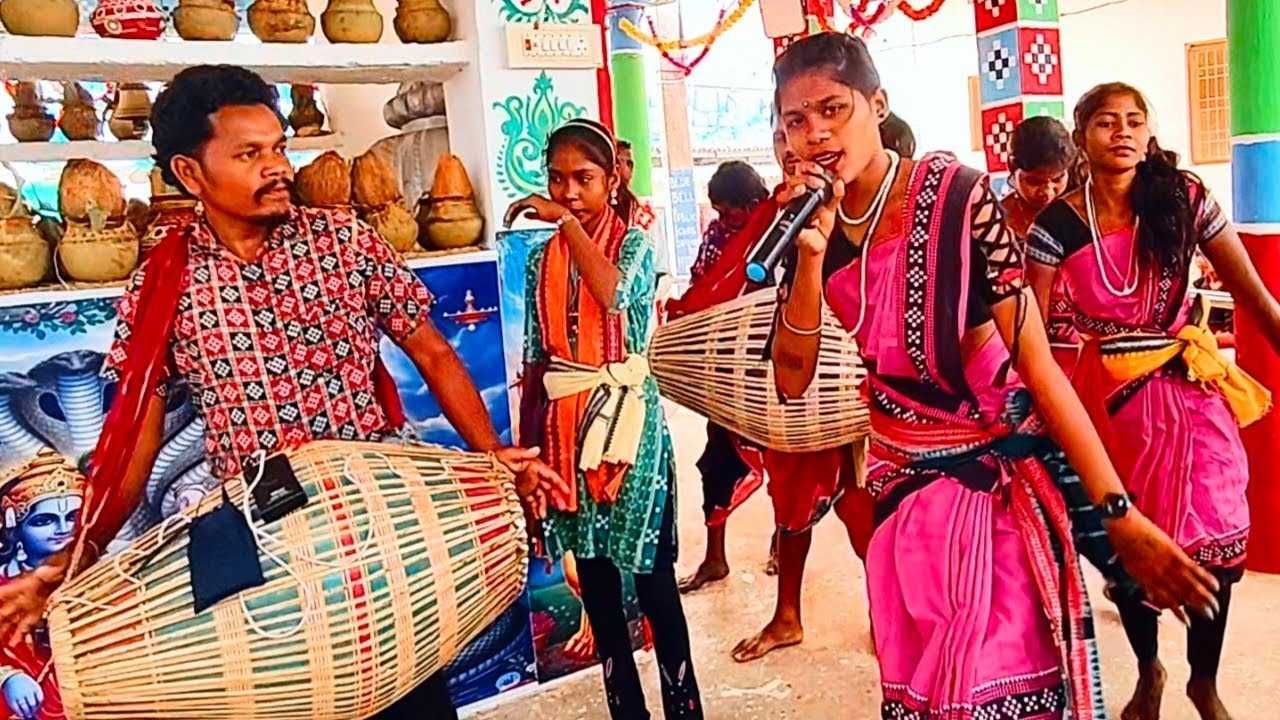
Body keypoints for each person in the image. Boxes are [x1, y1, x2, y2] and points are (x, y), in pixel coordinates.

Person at [0, 65, 565, 720]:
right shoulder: (164, 281)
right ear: (190, 173)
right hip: (259, 548)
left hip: (377, 524)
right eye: (249, 154)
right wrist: (74, 559)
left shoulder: (346, 241)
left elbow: (432, 351)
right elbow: (135, 447)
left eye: (277, 147)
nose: (277, 167)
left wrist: (489, 452)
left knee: (415, 706)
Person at [769, 33, 1219, 719]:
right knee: (931, 691)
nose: (815, 134)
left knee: (1000, 685)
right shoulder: (806, 220)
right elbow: (792, 378)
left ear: (877, 104)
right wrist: (806, 257)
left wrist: (1119, 513)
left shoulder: (958, 197)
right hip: (903, 495)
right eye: (795, 121)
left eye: (833, 110)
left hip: (997, 482)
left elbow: (1036, 362)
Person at [1027, 82, 1277, 720]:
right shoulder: (1055, 225)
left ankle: (1204, 681)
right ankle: (1149, 669)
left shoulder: (1183, 197)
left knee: (1217, 538)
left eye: (1136, 120)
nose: (1123, 132)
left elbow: (1253, 294)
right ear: (1081, 135)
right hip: (1108, 401)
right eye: (1107, 121)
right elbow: (1028, 329)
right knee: (1129, 546)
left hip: (1190, 389)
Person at [505, 118, 703, 720]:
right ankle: (627, 711)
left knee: (652, 581)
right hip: (566, 429)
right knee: (594, 581)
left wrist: (565, 224)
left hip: (628, 428)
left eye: (584, 179)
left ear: (613, 179)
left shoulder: (639, 242)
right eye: (558, 179)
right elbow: (536, 358)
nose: (569, 193)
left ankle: (684, 708)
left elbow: (614, 293)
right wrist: (529, 452)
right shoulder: (542, 260)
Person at [666, 116, 874, 663]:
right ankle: (788, 617)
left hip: (857, 385)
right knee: (793, 503)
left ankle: (886, 617)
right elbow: (734, 285)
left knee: (867, 510)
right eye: (784, 138)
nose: (794, 149)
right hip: (788, 384)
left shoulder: (867, 216)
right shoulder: (778, 217)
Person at [673, 161, 771, 593]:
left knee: (788, 472)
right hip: (727, 369)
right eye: (716, 212)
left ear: (753, 206)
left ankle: (781, 547)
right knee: (716, 463)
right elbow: (703, 286)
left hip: (773, 366)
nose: (720, 221)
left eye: (729, 213)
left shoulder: (777, 231)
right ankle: (715, 559)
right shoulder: (717, 235)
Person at [0, 449, 81, 720]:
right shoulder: (3, 587)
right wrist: (6, 679)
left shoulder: (98, 579)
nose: (62, 528)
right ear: (15, 525)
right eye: (44, 520)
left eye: (71, 517)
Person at [1002, 116, 1079, 368]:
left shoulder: (1080, 213)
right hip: (1017, 344)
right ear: (1012, 168)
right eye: (1034, 181)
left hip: (1080, 346)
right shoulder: (995, 222)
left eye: (1057, 180)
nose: (1047, 192)